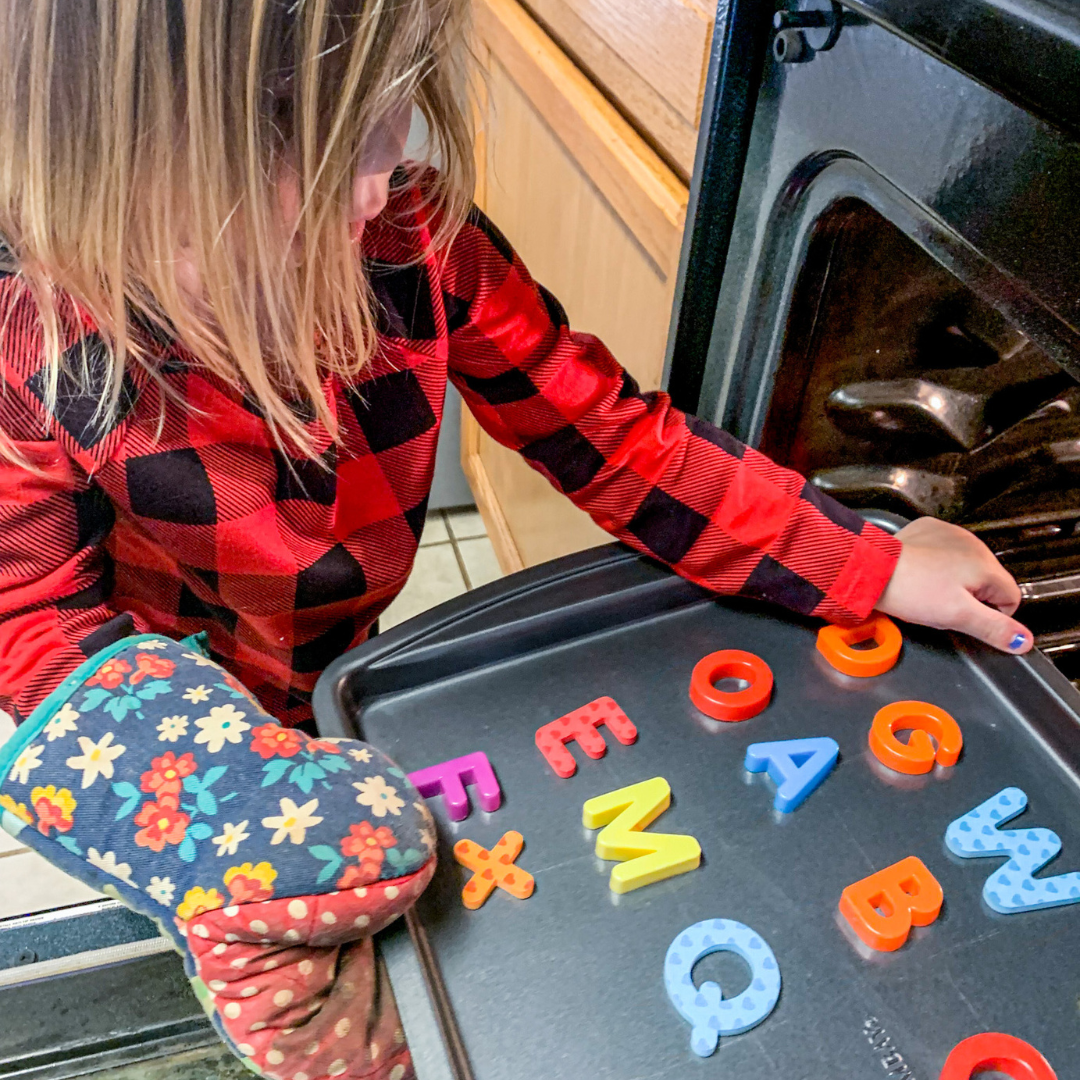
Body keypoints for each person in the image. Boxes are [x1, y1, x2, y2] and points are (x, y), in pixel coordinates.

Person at [0, 4, 1031, 1080]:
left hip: (340, 664)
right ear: (99, 160)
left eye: (386, 113)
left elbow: (616, 442)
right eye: (295, 142)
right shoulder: (26, 350)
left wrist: (868, 560)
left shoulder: (413, 240)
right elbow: (31, 621)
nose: (373, 182)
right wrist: (233, 813)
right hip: (179, 714)